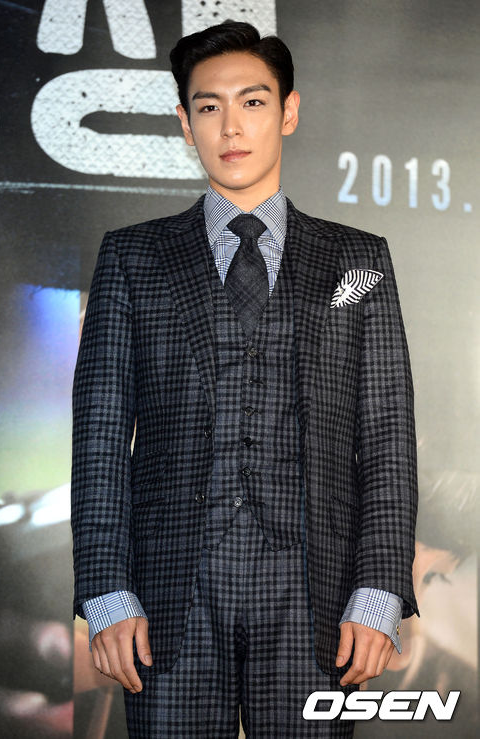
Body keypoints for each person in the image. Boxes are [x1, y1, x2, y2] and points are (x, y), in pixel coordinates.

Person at [71, 19, 419, 738]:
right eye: (209, 106)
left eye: (253, 102)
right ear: (184, 122)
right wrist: (106, 590)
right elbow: (100, 438)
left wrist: (379, 589)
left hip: (317, 596)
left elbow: (387, 438)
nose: (231, 126)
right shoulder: (133, 259)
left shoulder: (359, 261)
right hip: (168, 599)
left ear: (288, 111)